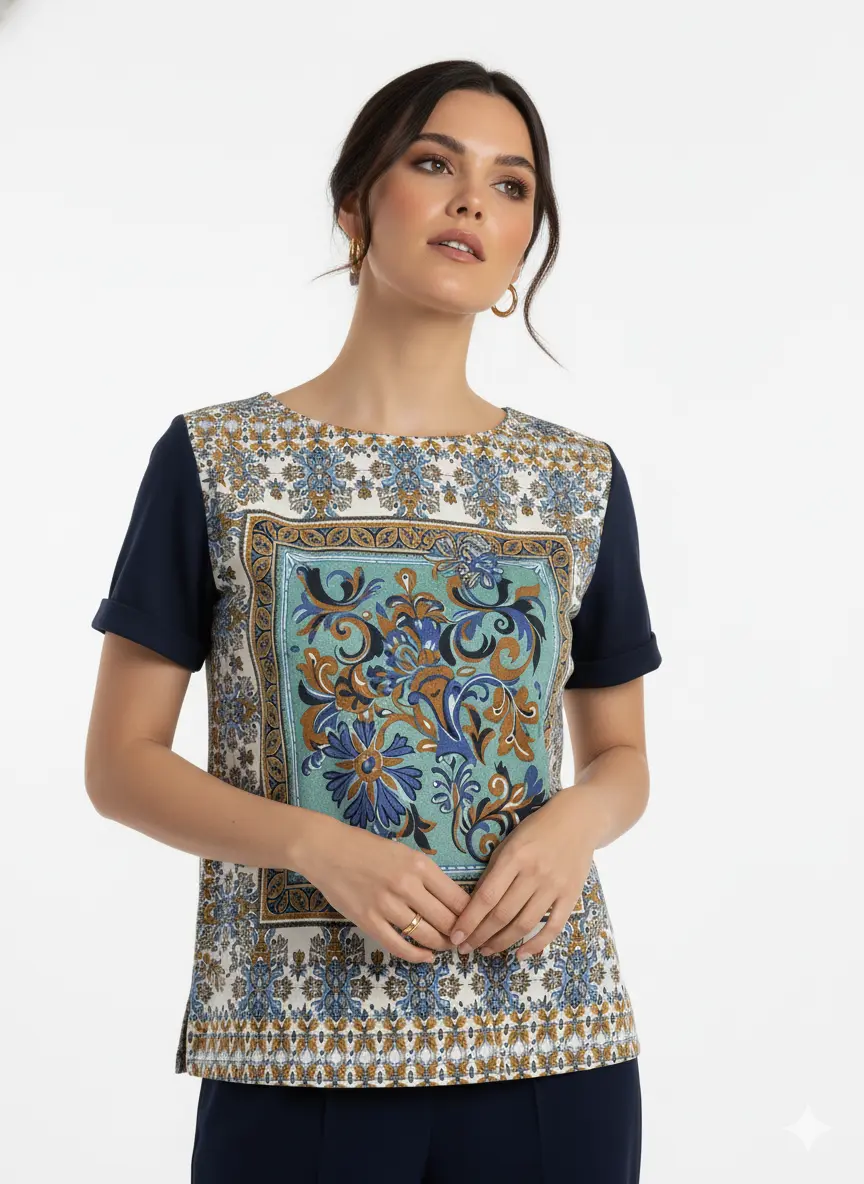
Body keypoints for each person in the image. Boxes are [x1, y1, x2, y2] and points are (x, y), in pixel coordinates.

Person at [85, 60, 661, 1183]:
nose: (472, 202)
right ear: (355, 203)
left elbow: (624, 759)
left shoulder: (577, 482)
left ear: (524, 245)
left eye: (511, 186)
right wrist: (314, 846)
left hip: (552, 1046)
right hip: (296, 1059)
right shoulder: (216, 460)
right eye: (435, 164)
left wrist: (575, 825)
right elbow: (120, 765)